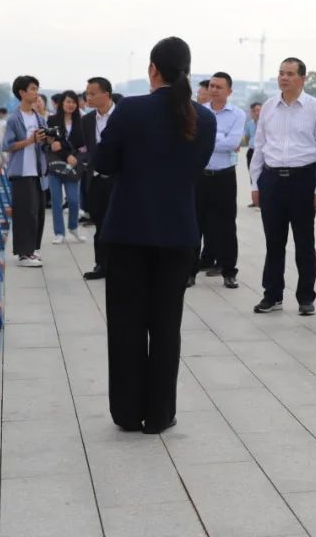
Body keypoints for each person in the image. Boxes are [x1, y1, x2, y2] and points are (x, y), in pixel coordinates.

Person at [95, 36, 216, 434]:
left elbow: (105, 162)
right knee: (166, 326)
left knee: (125, 324)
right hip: (177, 234)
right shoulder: (204, 119)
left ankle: (127, 412)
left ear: (152, 69)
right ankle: (160, 414)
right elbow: (195, 168)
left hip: (128, 232)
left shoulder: (130, 109)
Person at [250, 58, 316, 316]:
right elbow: (259, 146)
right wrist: (255, 183)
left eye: (290, 73)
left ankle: (306, 297)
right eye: (281, 73)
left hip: (303, 180)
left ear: (302, 78)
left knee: (304, 242)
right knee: (274, 242)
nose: (284, 78)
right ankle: (272, 295)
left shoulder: (315, 108)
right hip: (272, 180)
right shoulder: (269, 107)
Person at [188, 72, 246, 289]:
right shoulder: (197, 112)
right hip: (199, 176)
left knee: (226, 226)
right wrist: (220, 137)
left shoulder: (237, 114)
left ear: (229, 91)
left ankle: (229, 272)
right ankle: (189, 272)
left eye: (219, 87)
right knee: (194, 224)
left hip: (224, 177)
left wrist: (208, 139)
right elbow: (191, 139)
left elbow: (232, 143)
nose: (213, 90)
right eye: (211, 86)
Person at [3, 75, 49, 267]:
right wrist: (30, 141)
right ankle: (23, 254)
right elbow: (7, 145)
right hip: (21, 173)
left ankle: (32, 250)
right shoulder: (14, 119)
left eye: (37, 89)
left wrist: (47, 139)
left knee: (38, 212)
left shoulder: (39, 118)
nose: (36, 93)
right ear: (22, 93)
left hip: (38, 172)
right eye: (32, 89)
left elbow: (45, 143)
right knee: (25, 213)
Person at [82, 77, 116, 281]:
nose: (89, 97)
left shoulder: (123, 116)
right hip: (95, 179)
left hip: (117, 179)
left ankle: (118, 264)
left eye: (93, 94)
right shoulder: (87, 120)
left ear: (106, 94)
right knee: (100, 223)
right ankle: (101, 264)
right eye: (87, 93)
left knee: (118, 223)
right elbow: (82, 147)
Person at [47, 90, 87, 245]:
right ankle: (59, 232)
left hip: (73, 165)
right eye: (68, 101)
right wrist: (66, 152)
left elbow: (80, 144)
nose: (71, 105)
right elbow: (52, 144)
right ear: (62, 103)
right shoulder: (52, 120)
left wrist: (68, 151)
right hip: (55, 164)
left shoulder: (81, 122)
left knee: (74, 200)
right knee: (56, 201)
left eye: (74, 102)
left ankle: (73, 227)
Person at [244, 101, 262, 207]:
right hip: (251, 151)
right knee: (252, 175)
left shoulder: (266, 122)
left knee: (263, 175)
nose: (256, 113)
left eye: (258, 110)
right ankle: (256, 200)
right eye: (254, 111)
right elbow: (247, 137)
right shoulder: (249, 124)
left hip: (263, 153)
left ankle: (264, 199)